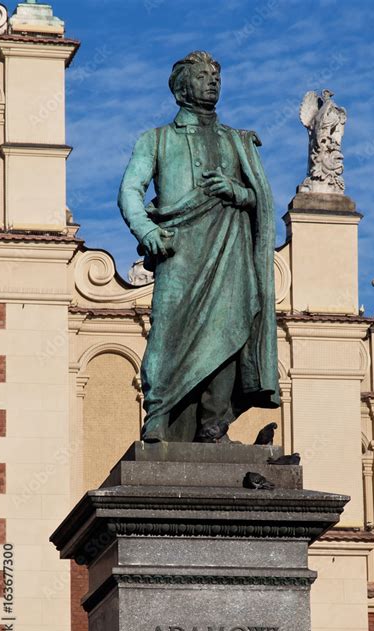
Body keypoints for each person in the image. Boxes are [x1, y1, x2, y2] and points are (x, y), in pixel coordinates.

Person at [118, 50, 279, 443]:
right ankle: (157, 415)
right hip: (179, 250)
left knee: (229, 330)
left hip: (229, 249)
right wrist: (146, 231)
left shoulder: (236, 140)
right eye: (203, 75)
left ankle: (213, 423)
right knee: (167, 334)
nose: (212, 81)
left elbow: (260, 198)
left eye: (216, 77)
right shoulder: (155, 139)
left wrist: (237, 192)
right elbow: (129, 191)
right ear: (180, 87)